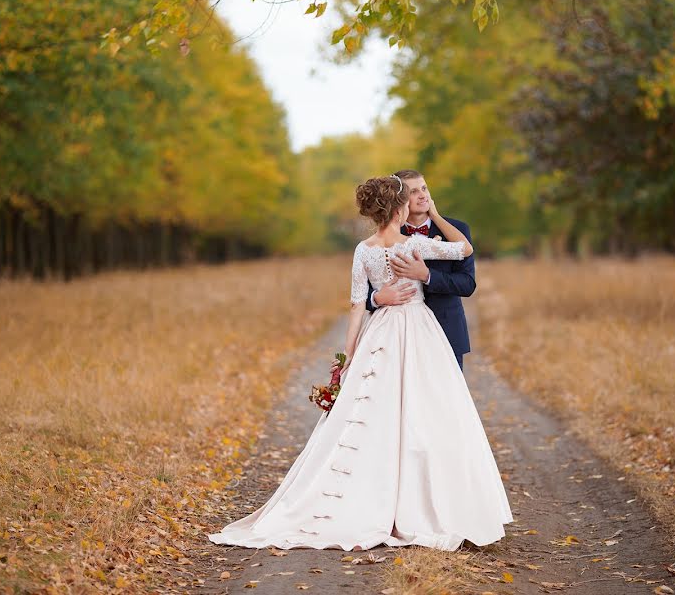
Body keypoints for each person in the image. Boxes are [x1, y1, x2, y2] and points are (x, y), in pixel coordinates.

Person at [207, 175, 513, 552]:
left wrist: (348, 358)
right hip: (420, 332)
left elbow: (355, 306)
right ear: (399, 209)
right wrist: (396, 283)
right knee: (428, 413)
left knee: (374, 415)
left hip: (380, 335)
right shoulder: (417, 244)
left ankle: (369, 496)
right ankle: (425, 507)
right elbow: (464, 249)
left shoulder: (363, 250)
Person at [366, 169, 475, 371]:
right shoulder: (386, 236)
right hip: (400, 338)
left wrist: (426, 275)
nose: (423, 195)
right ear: (400, 199)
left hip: (446, 332)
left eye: (424, 188)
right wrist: (378, 298)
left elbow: (467, 284)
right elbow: (362, 294)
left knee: (447, 401)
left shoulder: (457, 230)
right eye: (414, 191)